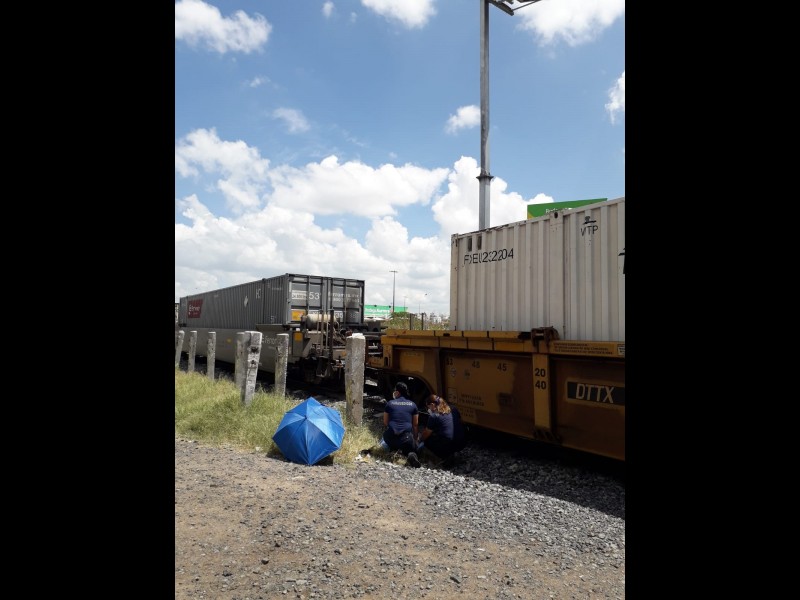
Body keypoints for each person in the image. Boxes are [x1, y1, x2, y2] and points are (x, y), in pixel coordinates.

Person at [379, 381, 421, 468]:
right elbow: (415, 425)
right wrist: (416, 439)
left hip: (390, 436)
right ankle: (410, 454)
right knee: (412, 448)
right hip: (406, 439)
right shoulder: (413, 405)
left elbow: (385, 422)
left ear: (397, 392)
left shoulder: (390, 404)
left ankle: (393, 450)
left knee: (388, 441)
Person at [417, 394, 467, 464]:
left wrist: (419, 440)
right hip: (462, 442)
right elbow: (461, 422)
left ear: (432, 405)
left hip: (448, 444)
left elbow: (426, 434)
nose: (428, 409)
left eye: (428, 407)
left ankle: (445, 456)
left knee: (427, 441)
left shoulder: (433, 416)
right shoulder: (454, 408)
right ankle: (454, 452)